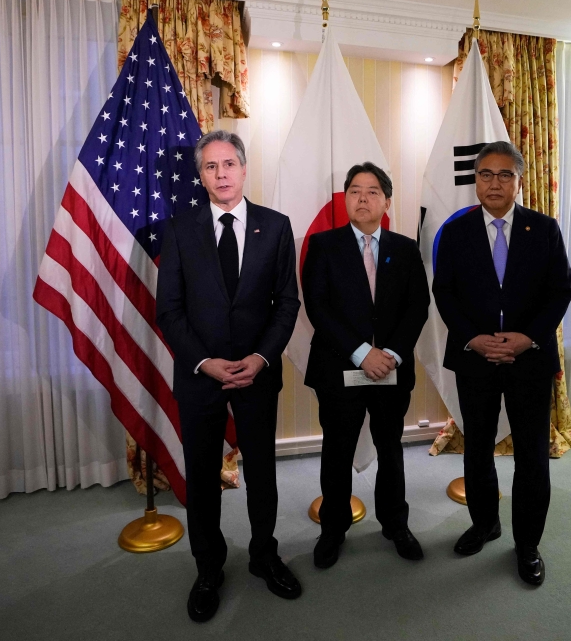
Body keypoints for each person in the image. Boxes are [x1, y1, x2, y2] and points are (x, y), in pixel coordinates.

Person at [156, 130, 302, 622]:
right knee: (201, 477)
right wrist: (204, 362)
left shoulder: (276, 226)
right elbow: (170, 310)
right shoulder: (178, 229)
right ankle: (208, 568)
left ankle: (264, 554)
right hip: (201, 377)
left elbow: (287, 305)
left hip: (257, 374)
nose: (221, 174)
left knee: (262, 471)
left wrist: (260, 359)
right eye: (210, 167)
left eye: (229, 164)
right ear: (200, 176)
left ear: (244, 168)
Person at [431, 140, 571, 586]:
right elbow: (445, 293)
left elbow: (560, 292)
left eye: (504, 175)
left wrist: (526, 338)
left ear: (519, 180)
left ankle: (527, 543)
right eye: (486, 175)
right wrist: (474, 339)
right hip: (475, 359)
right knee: (476, 448)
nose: (494, 183)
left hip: (528, 360)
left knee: (531, 454)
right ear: (476, 181)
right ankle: (484, 523)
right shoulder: (455, 232)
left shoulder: (544, 229)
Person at [301, 163, 430, 568]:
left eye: (373, 191)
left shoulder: (406, 248)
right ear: (345, 199)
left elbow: (417, 308)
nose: (363, 198)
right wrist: (362, 353)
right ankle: (333, 529)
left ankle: (395, 524)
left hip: (391, 371)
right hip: (340, 368)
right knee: (337, 452)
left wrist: (390, 354)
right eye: (354, 191)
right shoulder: (323, 245)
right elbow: (318, 308)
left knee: (391, 450)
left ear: (386, 202)